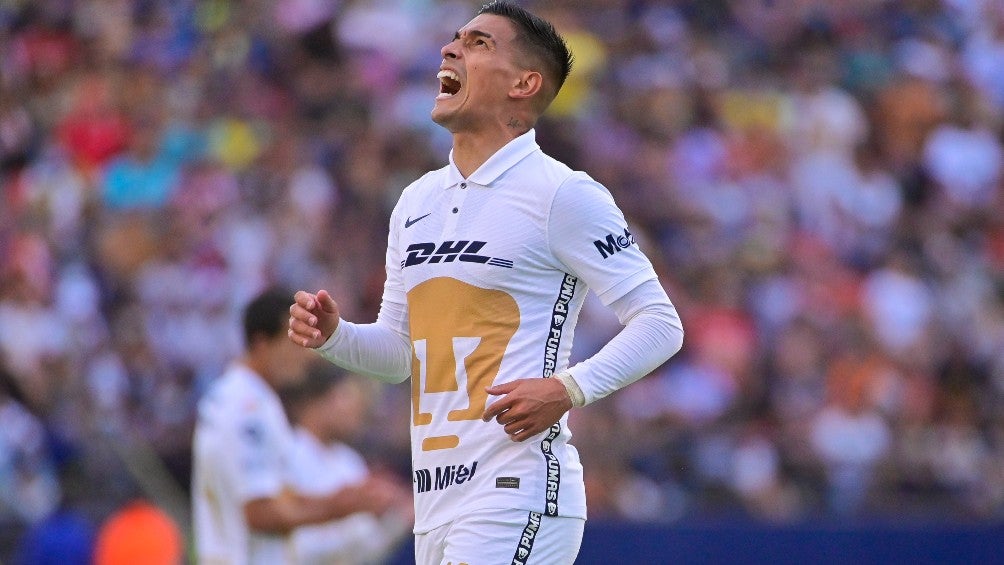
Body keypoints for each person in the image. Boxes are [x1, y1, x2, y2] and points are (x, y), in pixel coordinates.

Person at [288, 2, 685, 563]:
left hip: (515, 490)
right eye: (455, 39)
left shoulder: (562, 193)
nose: (450, 49)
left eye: (478, 43)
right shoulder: (416, 201)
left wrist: (568, 389)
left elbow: (661, 324)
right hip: (436, 501)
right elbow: (400, 354)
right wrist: (335, 337)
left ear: (525, 83)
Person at [192, 288, 409, 565]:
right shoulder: (248, 408)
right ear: (262, 343)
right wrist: (345, 505)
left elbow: (268, 497)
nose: (305, 354)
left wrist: (349, 498)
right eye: (292, 341)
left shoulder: (234, 397)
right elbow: (259, 512)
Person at [281, 362, 413, 565]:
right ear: (316, 400)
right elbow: (296, 547)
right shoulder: (287, 453)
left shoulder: (349, 461)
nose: (356, 407)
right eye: (346, 396)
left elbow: (364, 551)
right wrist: (344, 506)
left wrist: (400, 518)